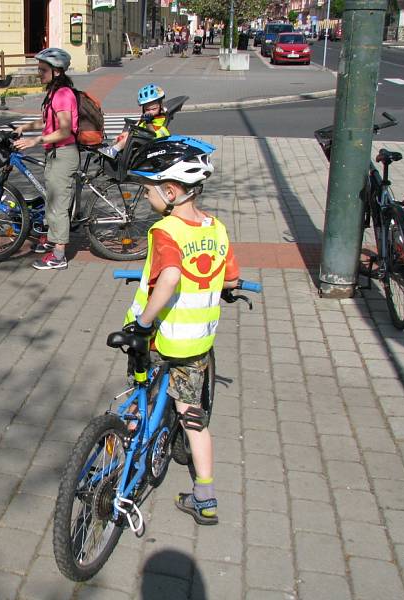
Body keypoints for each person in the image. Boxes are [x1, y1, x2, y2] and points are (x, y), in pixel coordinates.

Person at [122, 140, 240, 526]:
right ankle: (205, 497)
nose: (146, 196)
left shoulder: (166, 230)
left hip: (161, 339)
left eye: (148, 189)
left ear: (170, 192)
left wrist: (143, 321)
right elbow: (231, 279)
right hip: (197, 344)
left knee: (141, 383)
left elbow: (170, 276)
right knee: (193, 417)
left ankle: (132, 432)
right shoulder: (218, 230)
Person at [12, 47, 79, 270]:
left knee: (59, 205)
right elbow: (46, 121)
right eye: (38, 69)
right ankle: (51, 239)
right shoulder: (53, 92)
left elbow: (65, 130)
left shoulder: (62, 94)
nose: (39, 74)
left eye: (43, 70)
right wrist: (25, 127)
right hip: (55, 153)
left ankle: (59, 255)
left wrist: (34, 141)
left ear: (57, 71)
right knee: (51, 200)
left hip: (64, 153)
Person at [98, 84, 170, 160]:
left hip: (152, 141)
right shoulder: (147, 116)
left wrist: (149, 122)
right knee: (124, 135)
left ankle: (113, 151)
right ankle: (113, 149)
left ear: (161, 105)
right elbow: (138, 124)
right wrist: (128, 131)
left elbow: (153, 134)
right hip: (142, 136)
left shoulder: (160, 118)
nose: (150, 112)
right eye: (147, 110)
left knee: (128, 138)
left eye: (154, 109)